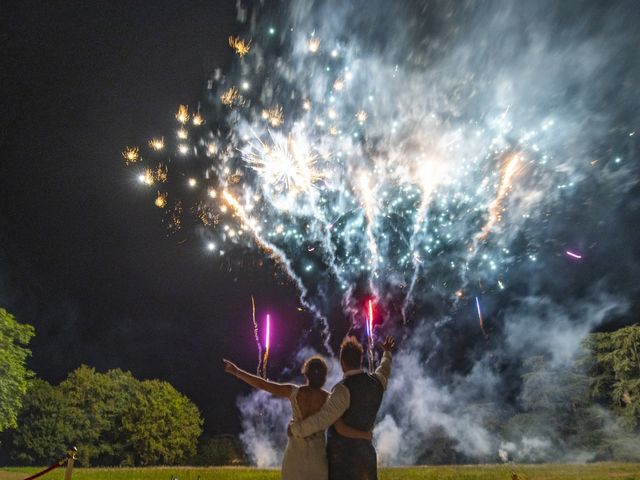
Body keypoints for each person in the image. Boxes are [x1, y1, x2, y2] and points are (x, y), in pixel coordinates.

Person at [223, 355, 371, 480]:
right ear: (324, 376)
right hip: (317, 459)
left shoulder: (294, 392)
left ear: (306, 374)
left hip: (294, 458)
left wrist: (237, 372)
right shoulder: (329, 399)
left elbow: (263, 384)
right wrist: (365, 434)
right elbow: (341, 428)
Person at [289, 335, 395, 480]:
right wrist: (387, 352)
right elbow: (385, 368)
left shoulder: (342, 389)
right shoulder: (378, 382)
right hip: (367, 456)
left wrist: (296, 429)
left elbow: (321, 420)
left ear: (342, 362)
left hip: (343, 462)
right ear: (360, 359)